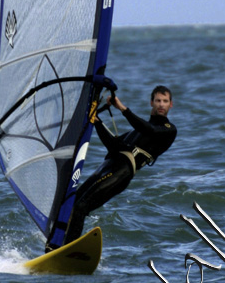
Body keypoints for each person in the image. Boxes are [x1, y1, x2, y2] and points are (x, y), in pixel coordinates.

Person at [62, 84, 177, 245]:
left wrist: (122, 108)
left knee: (82, 207)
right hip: (107, 166)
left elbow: (150, 130)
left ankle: (68, 247)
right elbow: (112, 145)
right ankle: (57, 242)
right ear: (151, 103)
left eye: (165, 101)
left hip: (121, 172)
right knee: (71, 203)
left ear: (170, 105)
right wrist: (97, 121)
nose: (161, 104)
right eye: (158, 100)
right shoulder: (134, 132)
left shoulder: (168, 130)